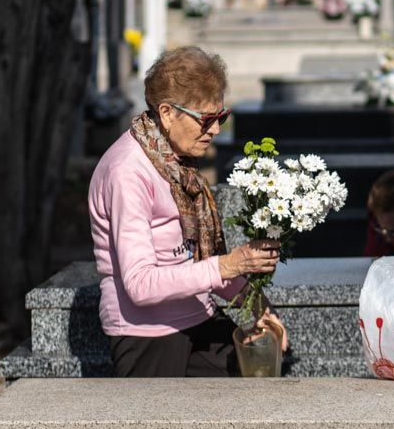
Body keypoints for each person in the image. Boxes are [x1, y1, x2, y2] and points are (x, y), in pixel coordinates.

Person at [89, 46, 287, 377]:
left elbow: (195, 257)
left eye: (221, 117)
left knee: (253, 383)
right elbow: (140, 284)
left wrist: (258, 309)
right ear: (167, 112)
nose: (215, 130)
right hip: (146, 335)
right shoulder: (128, 171)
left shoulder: (177, 162)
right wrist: (228, 264)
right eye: (206, 120)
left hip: (197, 315)